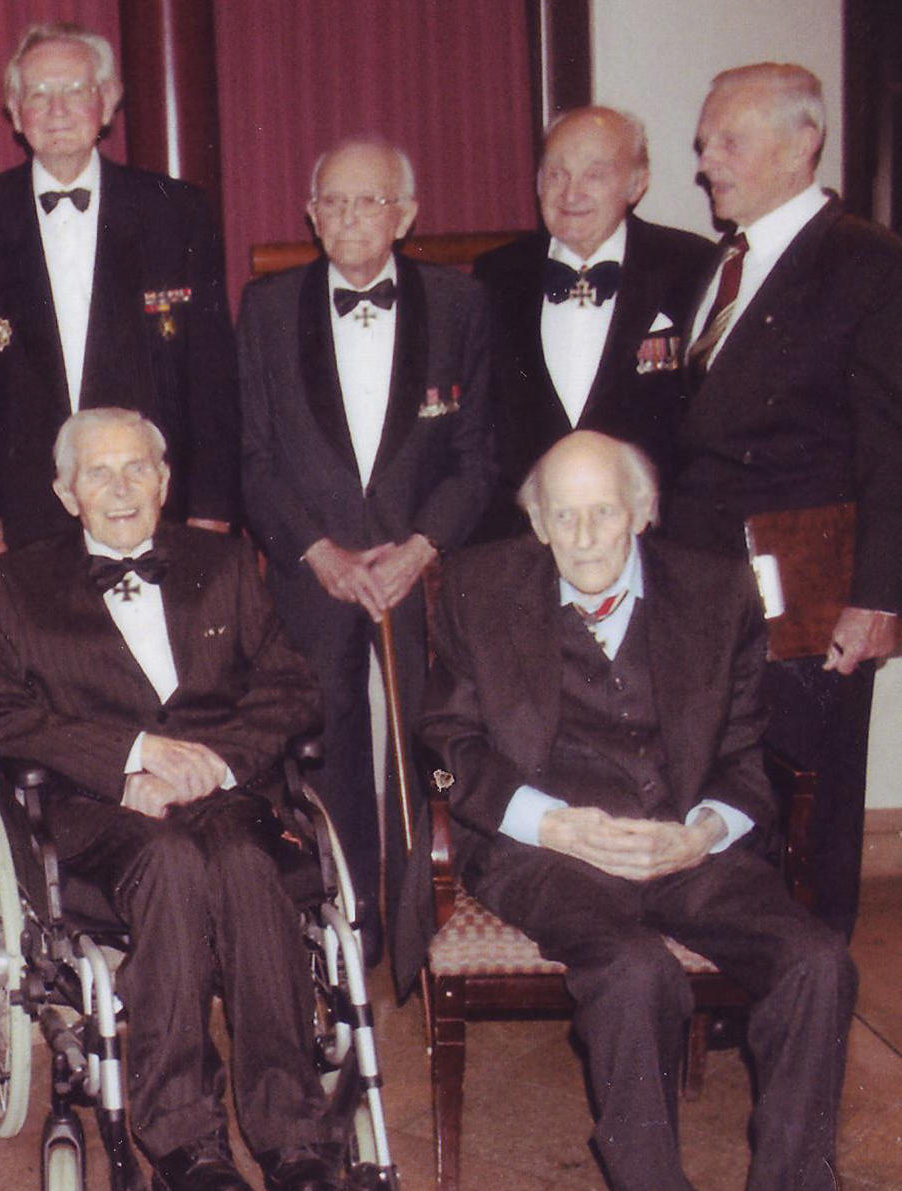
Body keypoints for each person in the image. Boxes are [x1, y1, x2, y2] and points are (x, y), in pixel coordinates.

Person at [412, 431, 855, 1191]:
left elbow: (745, 754)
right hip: (547, 853)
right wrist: (550, 825)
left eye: (603, 513)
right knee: (632, 970)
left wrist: (702, 832)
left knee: (816, 963)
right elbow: (444, 754)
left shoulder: (718, 591)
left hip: (684, 846)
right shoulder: (477, 588)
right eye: (563, 516)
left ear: (642, 512)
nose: (583, 537)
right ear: (536, 522)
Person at [0, 408, 359, 1191]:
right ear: (65, 493)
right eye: (97, 473)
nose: (120, 489)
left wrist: (213, 762)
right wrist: (130, 757)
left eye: (137, 468)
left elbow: (291, 688)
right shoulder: (13, 585)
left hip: (224, 795)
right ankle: (185, 1144)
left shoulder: (224, 563)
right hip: (95, 806)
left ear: (164, 479)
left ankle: (293, 1138)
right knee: (171, 861)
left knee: (245, 862)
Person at [237, 138, 493, 958]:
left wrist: (419, 548)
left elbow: (478, 457)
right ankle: (346, 933)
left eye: (368, 201)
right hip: (313, 573)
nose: (348, 218)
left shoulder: (459, 305)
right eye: (332, 202)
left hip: (421, 573)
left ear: (405, 216)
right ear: (310, 215)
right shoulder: (266, 308)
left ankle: (427, 932)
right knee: (322, 750)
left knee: (428, 747)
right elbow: (251, 457)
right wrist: (318, 552)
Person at [665, 61, 902, 938]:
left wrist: (879, 599)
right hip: (707, 588)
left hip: (811, 599)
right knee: (725, 797)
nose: (705, 163)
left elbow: (893, 446)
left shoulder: (865, 261)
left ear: (803, 144)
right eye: (703, 144)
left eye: (728, 141)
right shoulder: (719, 265)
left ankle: (813, 983)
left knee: (810, 806)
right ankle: (736, 977)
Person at [0, 21, 239, 546]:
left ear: (106, 103)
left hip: (155, 505)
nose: (56, 110)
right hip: (25, 519)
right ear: (15, 110)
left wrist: (210, 520)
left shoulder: (177, 214)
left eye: (75, 90)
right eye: (39, 93)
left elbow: (211, 378)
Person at [471, 106, 716, 538]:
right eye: (556, 174)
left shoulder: (693, 267)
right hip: (527, 534)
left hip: (652, 534)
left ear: (637, 184)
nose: (571, 193)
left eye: (594, 175)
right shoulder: (495, 275)